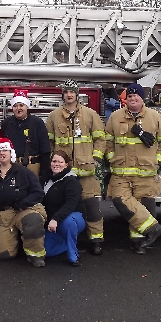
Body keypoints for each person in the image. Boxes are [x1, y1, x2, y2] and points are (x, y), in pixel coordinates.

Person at [105, 83, 161, 254]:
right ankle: (153, 229)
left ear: (142, 98)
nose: (133, 98)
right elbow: (107, 142)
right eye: (130, 96)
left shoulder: (155, 116)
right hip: (121, 172)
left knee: (144, 205)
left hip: (146, 173)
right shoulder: (115, 117)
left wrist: (157, 161)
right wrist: (111, 158)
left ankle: (139, 242)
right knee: (120, 200)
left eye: (136, 96)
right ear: (126, 99)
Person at [45, 79, 106, 255]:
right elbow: (49, 142)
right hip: (64, 174)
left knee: (91, 205)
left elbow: (100, 139)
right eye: (66, 92)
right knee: (63, 204)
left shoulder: (90, 114)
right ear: (63, 95)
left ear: (77, 94)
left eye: (72, 92)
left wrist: (95, 158)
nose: (69, 95)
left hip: (86, 171)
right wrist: (53, 162)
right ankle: (64, 237)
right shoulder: (54, 116)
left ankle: (96, 240)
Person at [0, 139, 47, 267]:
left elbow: (38, 193)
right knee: (2, 255)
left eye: (5, 150)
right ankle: (14, 241)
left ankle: (35, 255)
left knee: (33, 220)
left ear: (11, 153)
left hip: (22, 210)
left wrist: (23, 203)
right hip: (1, 215)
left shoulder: (24, 172)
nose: (2, 153)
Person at [43, 151, 85, 267]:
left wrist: (56, 219)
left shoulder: (72, 181)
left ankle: (73, 256)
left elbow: (71, 204)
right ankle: (67, 242)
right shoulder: (46, 179)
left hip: (73, 217)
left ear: (66, 165)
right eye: (54, 161)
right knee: (46, 251)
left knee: (68, 222)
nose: (56, 164)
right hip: (53, 222)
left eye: (60, 162)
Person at [0, 88, 50, 179]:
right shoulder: (6, 124)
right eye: (15, 106)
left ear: (27, 106)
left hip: (32, 168)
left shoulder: (37, 123)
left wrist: (44, 174)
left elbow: (45, 150)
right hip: (11, 168)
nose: (18, 108)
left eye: (21, 105)